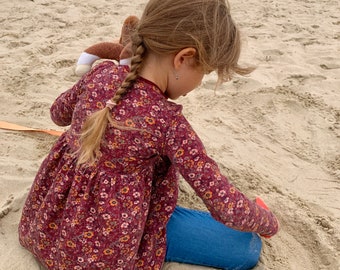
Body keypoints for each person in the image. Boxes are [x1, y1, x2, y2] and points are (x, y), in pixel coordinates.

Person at [18, 0, 279, 269]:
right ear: (183, 58)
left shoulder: (101, 74)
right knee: (246, 248)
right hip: (107, 246)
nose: (200, 83)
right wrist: (267, 221)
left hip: (48, 226)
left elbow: (57, 114)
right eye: (205, 72)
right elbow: (226, 206)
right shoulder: (168, 123)